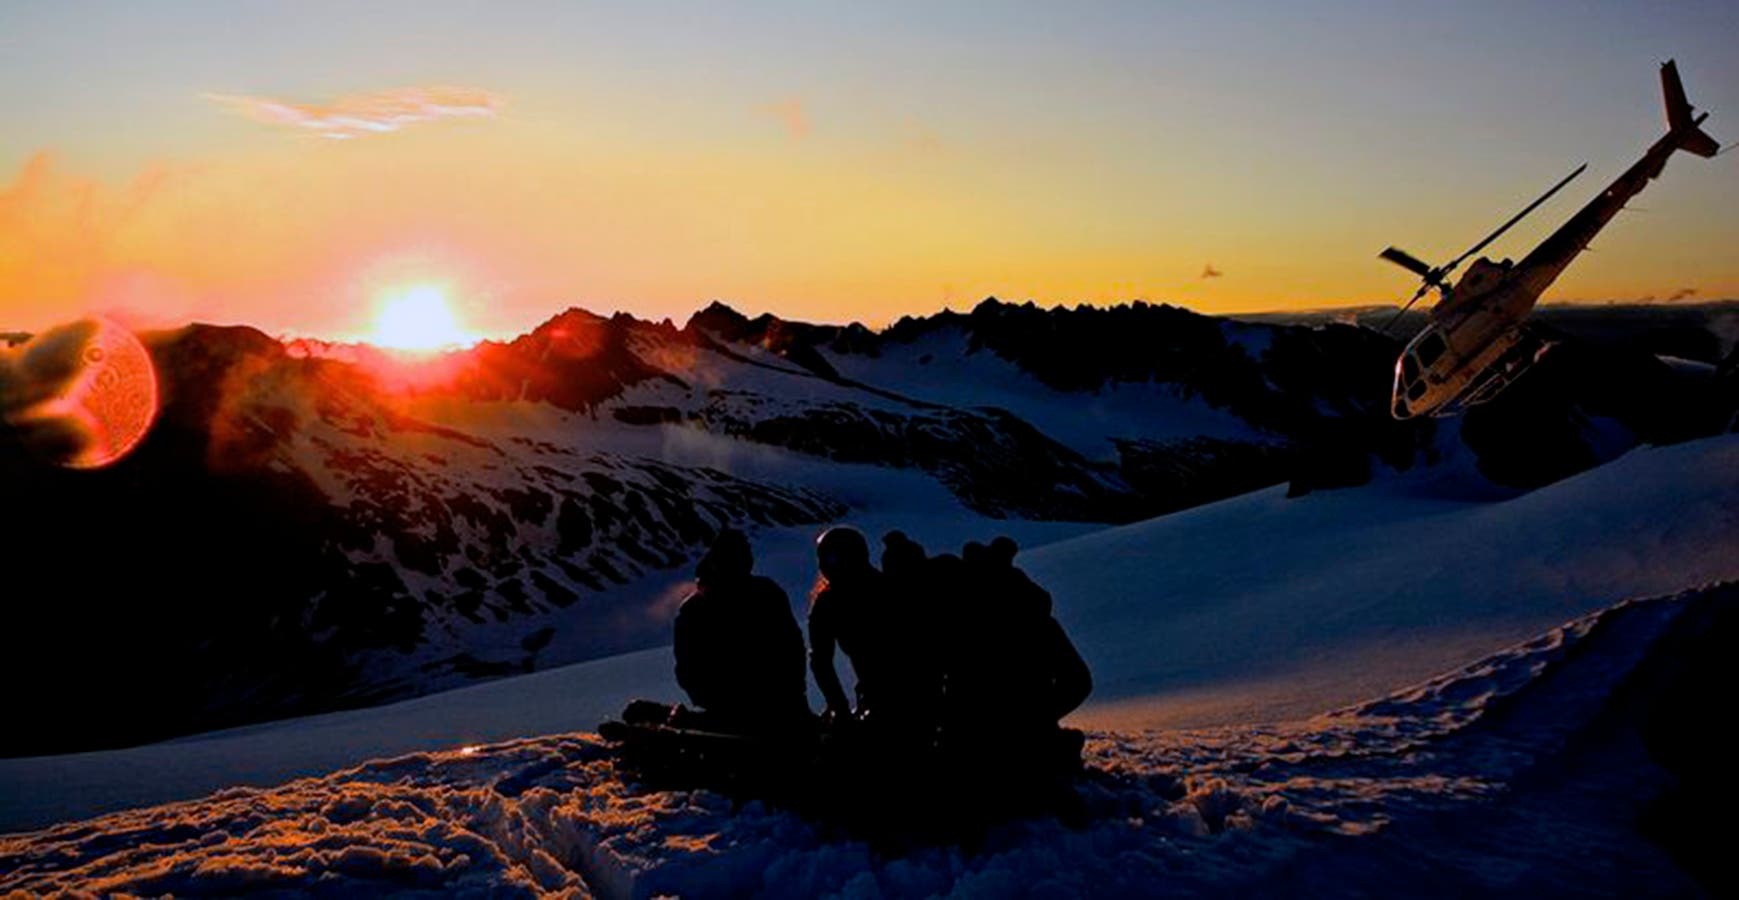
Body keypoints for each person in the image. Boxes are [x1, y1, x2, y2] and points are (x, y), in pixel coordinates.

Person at [671, 528, 810, 733]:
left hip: (779, 703)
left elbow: (792, 648)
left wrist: (790, 693)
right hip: (731, 708)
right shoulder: (696, 609)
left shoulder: (766, 593)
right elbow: (690, 668)